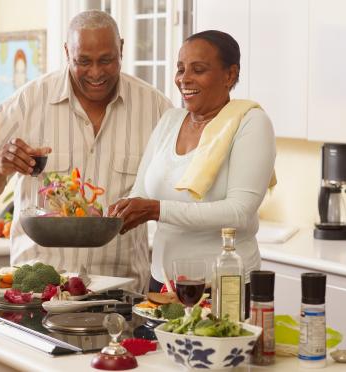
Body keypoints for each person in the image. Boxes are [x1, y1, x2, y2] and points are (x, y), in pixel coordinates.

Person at [0, 10, 172, 293]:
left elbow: (180, 195)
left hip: (121, 289)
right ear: (67, 52)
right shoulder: (27, 102)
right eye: (83, 61)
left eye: (106, 60)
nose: (96, 72)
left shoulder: (157, 109)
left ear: (121, 49)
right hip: (37, 289)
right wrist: (1, 166)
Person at [109, 30, 276, 317]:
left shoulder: (250, 123)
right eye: (180, 69)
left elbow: (239, 212)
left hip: (222, 286)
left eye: (198, 70)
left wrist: (156, 210)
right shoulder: (170, 120)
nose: (184, 79)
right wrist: (115, 214)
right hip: (162, 283)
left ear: (229, 75)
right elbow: (142, 193)